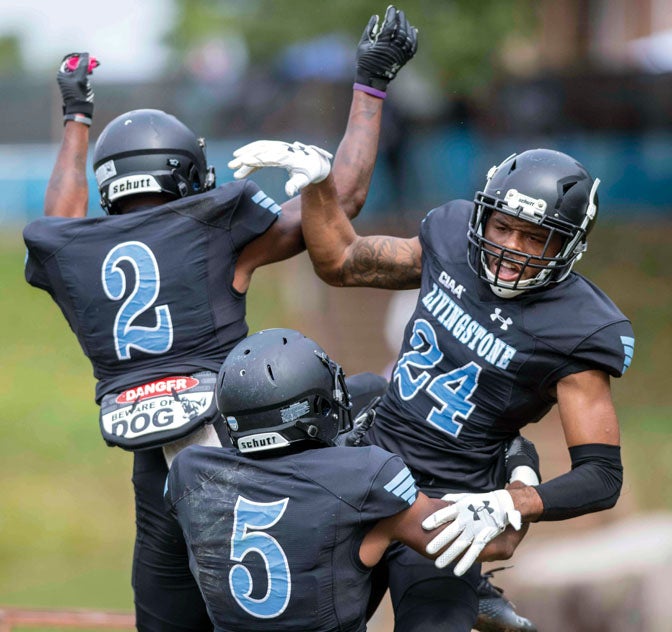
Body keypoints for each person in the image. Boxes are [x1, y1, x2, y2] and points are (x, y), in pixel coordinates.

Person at [22, 8, 418, 631]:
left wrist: (76, 116)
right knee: (389, 426)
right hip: (247, 437)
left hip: (157, 464)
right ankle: (452, 598)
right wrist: (370, 86)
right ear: (189, 175)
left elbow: (59, 220)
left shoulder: (75, 247)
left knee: (166, 619)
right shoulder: (213, 227)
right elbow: (341, 200)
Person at [227, 141, 634, 631]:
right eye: (502, 227)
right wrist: (320, 187)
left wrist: (510, 502)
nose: (509, 249)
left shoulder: (580, 329)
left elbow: (601, 475)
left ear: (571, 243)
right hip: (371, 460)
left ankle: (473, 587)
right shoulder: (452, 238)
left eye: (534, 238)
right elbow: (341, 261)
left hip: (452, 507)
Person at [165, 327, 526, 631]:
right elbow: (499, 543)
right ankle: (473, 591)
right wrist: (522, 467)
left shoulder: (188, 471)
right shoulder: (363, 474)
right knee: (416, 533)